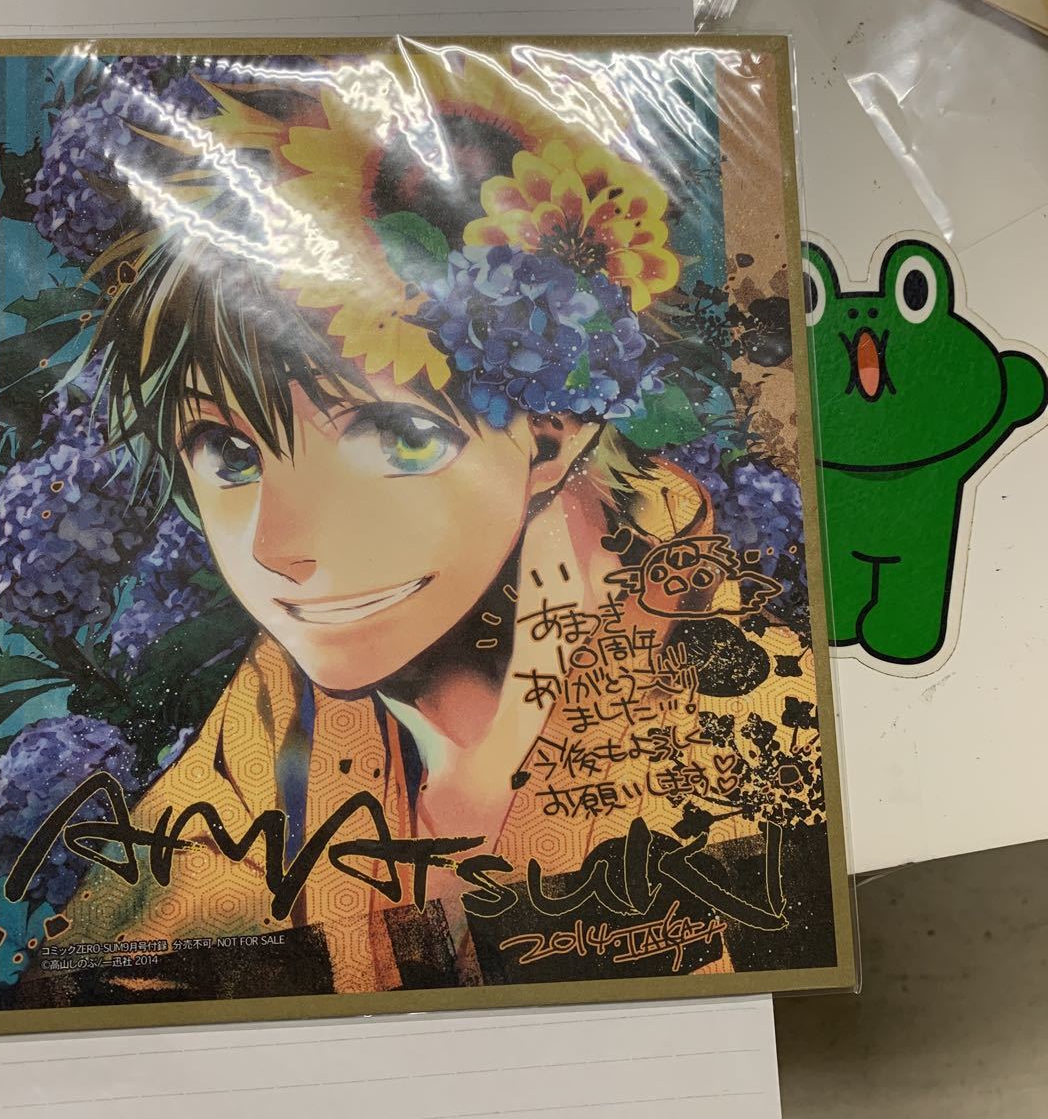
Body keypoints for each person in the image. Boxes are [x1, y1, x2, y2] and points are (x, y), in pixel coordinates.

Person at [55, 51, 816, 995]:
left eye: (395, 437)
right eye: (230, 452)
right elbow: (109, 975)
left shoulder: (752, 720)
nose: (278, 547)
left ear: (555, 429)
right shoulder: (285, 710)